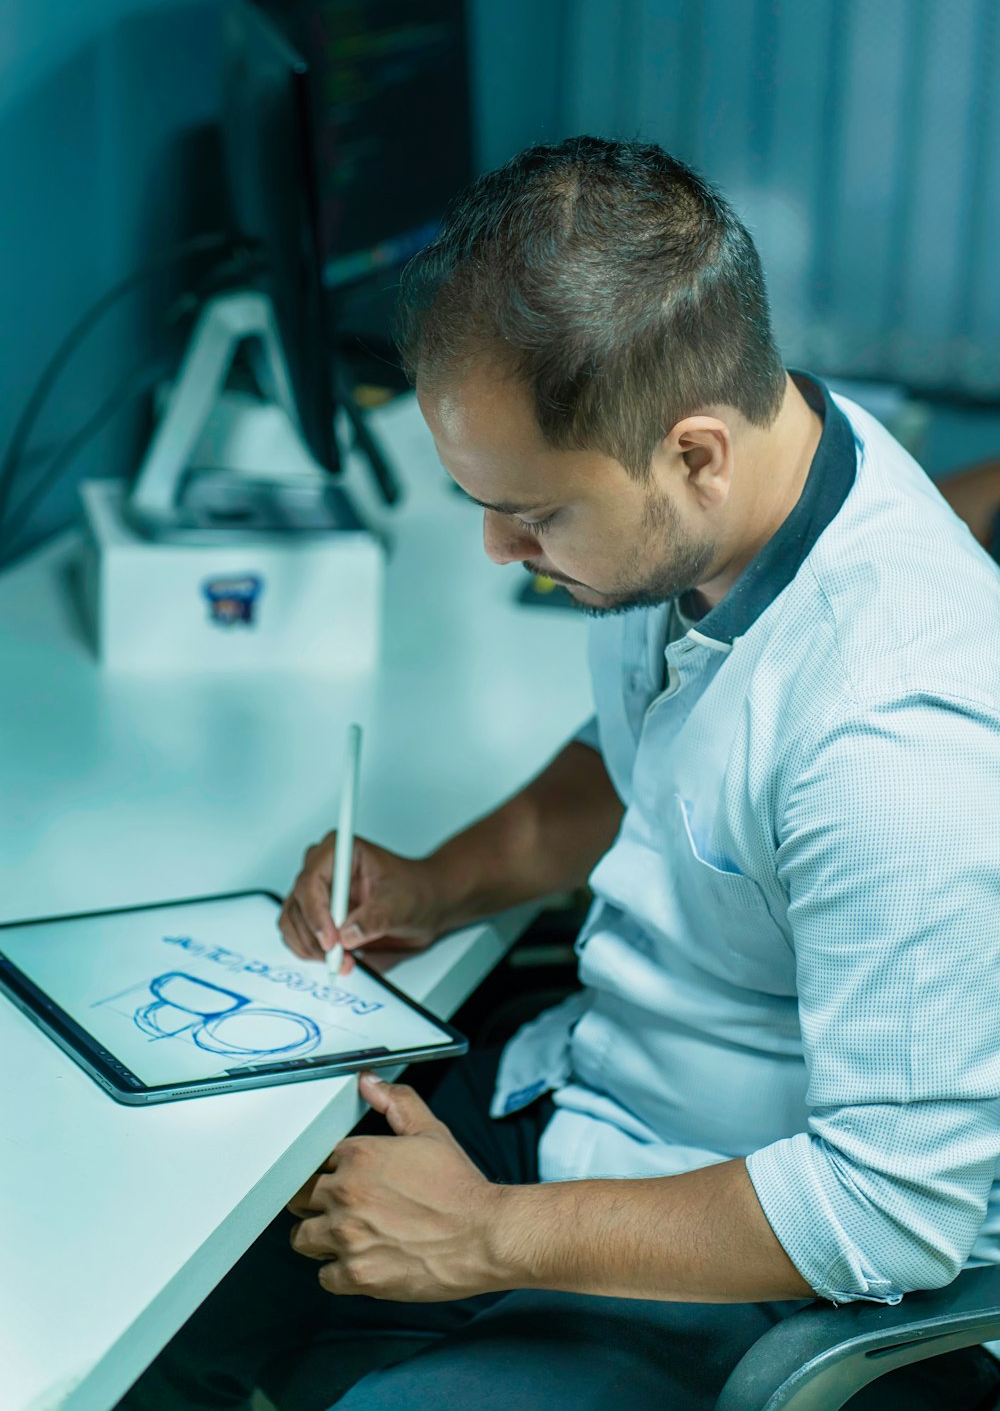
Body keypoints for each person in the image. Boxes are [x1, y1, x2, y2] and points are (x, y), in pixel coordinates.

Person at [120, 138, 1000, 1411]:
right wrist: (439, 882)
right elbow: (646, 756)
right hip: (589, 1101)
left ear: (694, 452)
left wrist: (482, 1236)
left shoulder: (894, 748)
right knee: (178, 1261)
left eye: (530, 513)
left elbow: (881, 1217)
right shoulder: (761, 471)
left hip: (778, 1271)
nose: (495, 548)